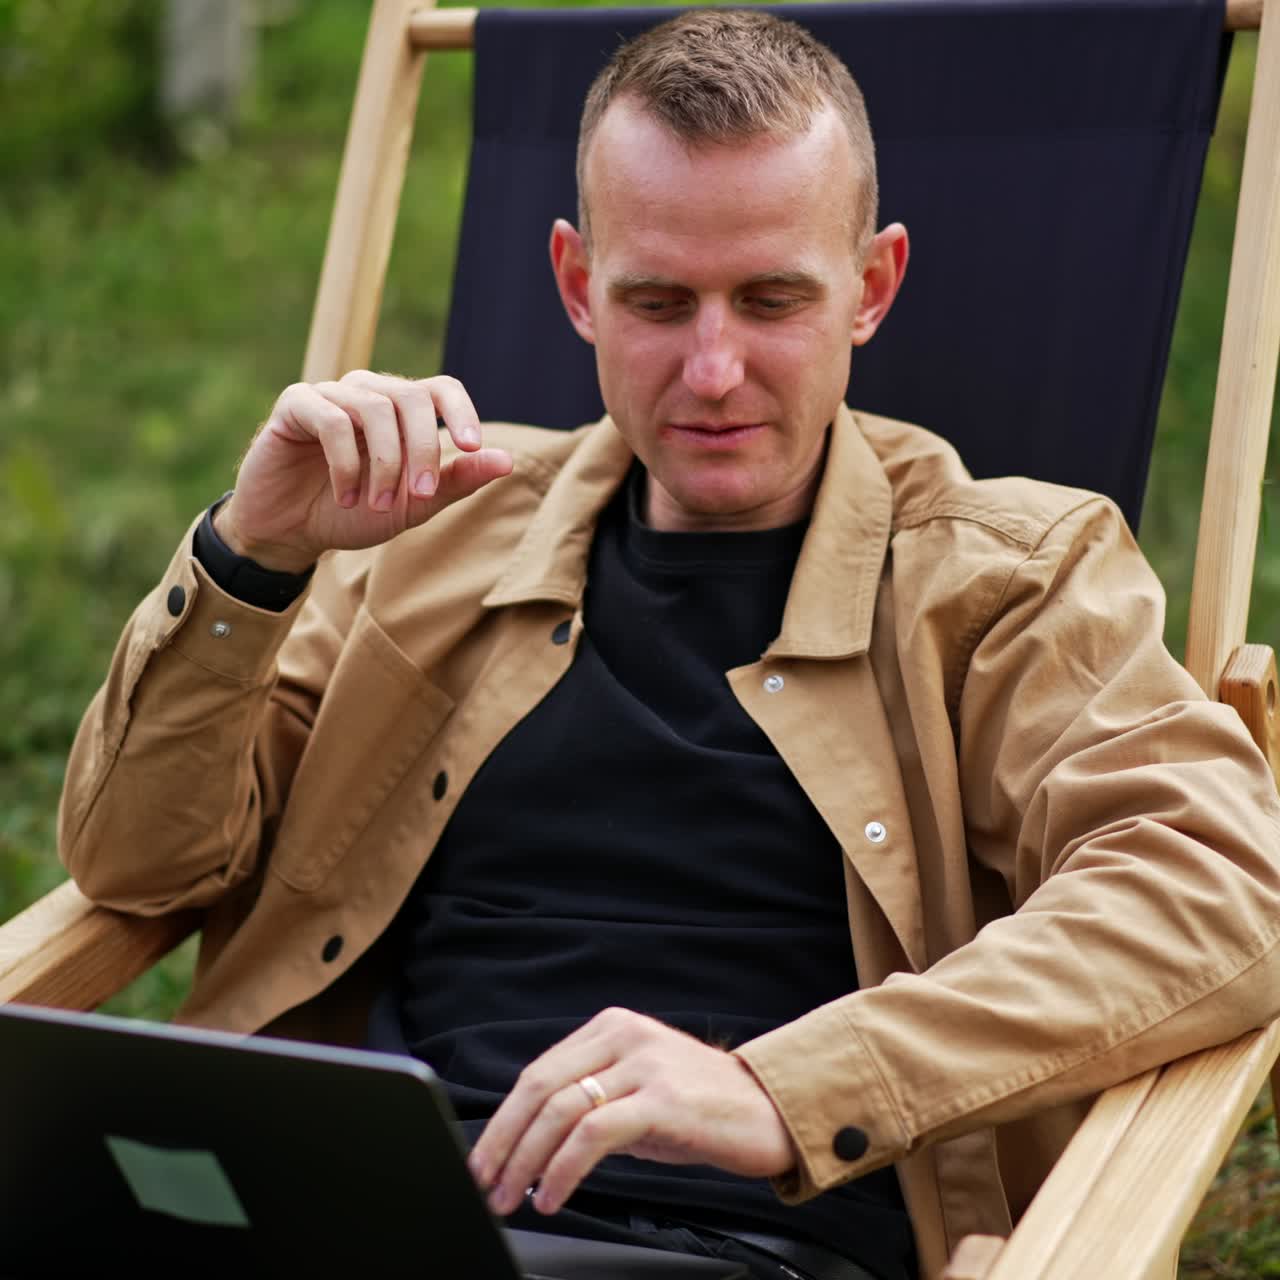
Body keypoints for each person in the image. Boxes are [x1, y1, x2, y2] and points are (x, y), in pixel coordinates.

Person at [57, 10, 1280, 1280]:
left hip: (741, 1244)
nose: (710, 370)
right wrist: (251, 557)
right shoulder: (428, 539)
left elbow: (1217, 886)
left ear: (869, 287)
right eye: (655, 301)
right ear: (578, 285)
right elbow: (138, 866)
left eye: (769, 300)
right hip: (357, 1210)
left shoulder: (1004, 579)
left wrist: (782, 1085)